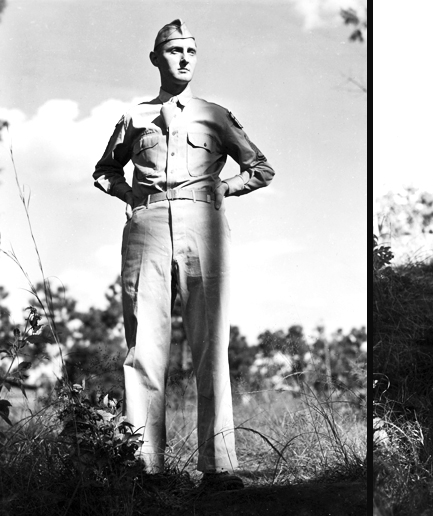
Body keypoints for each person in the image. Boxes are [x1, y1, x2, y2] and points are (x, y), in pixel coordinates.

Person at [93, 19, 275, 490]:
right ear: (156, 58)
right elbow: (104, 171)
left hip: (204, 226)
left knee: (211, 343)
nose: (184, 57)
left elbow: (261, 167)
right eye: (174, 50)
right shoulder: (134, 117)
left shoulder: (215, 115)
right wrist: (131, 198)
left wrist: (224, 188)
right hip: (147, 225)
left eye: (191, 50)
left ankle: (218, 468)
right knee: (145, 347)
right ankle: (144, 466)